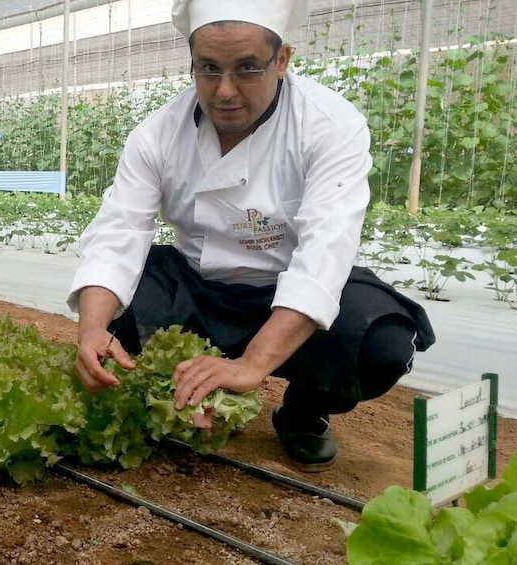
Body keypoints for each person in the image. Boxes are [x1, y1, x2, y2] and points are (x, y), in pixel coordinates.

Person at [67, 0, 435, 472]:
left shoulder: (329, 125)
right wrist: (92, 329)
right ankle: (177, 394)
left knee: (381, 343)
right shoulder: (156, 133)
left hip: (284, 291)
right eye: (208, 69)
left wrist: (252, 365)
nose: (224, 91)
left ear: (282, 60)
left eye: (246, 68)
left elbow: (324, 252)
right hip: (198, 289)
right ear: (192, 63)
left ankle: (304, 411)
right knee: (116, 313)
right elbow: (120, 230)